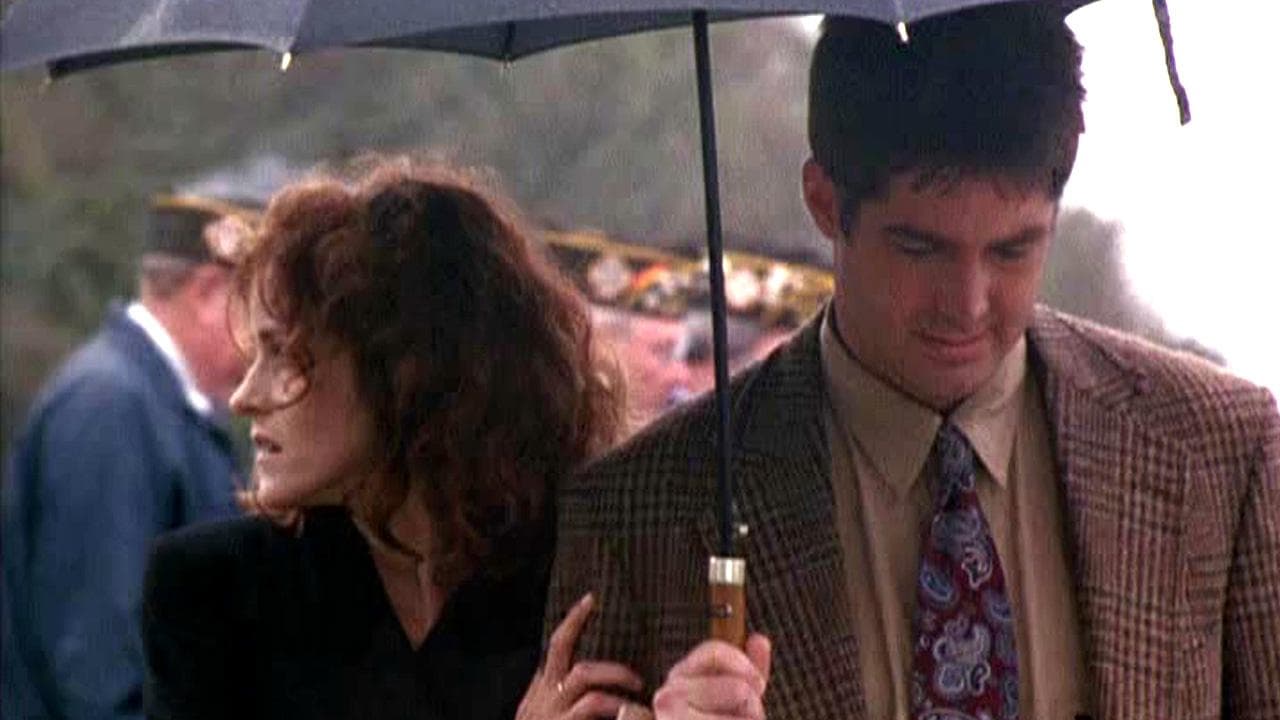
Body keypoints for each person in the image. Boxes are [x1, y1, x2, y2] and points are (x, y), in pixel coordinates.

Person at [546, 5, 1280, 720]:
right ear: (824, 201)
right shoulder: (641, 513)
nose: (967, 304)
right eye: (920, 249)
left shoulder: (1219, 452)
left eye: (1013, 251)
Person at [141, 160, 643, 720]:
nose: (245, 397)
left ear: (405, 368)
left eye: (284, 354)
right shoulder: (214, 591)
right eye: (256, 355)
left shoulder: (583, 579)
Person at [2, 194, 255, 719]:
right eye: (264, 309)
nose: (269, 343)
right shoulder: (111, 408)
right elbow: (100, 674)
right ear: (209, 292)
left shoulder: (159, 408)